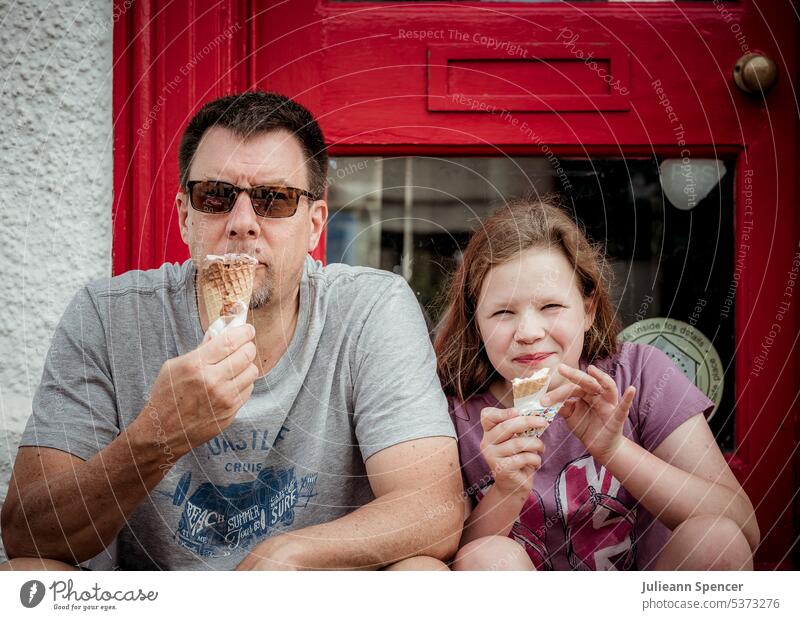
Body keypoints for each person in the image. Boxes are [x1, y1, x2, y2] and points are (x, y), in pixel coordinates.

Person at [0, 92, 461, 571]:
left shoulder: (369, 309)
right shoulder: (108, 316)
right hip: (157, 600)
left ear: (315, 225)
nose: (243, 224)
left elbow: (435, 510)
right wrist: (158, 435)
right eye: (216, 197)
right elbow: (27, 535)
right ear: (185, 215)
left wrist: (288, 554)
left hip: (311, 597)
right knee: (24, 579)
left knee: (421, 575)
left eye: (274, 199)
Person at [434, 198, 759, 571]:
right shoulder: (454, 410)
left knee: (716, 539)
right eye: (503, 312)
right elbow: (455, 566)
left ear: (588, 310)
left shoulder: (638, 373)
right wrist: (507, 489)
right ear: (476, 321)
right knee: (486, 557)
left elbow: (740, 525)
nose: (528, 333)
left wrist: (615, 448)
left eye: (551, 307)